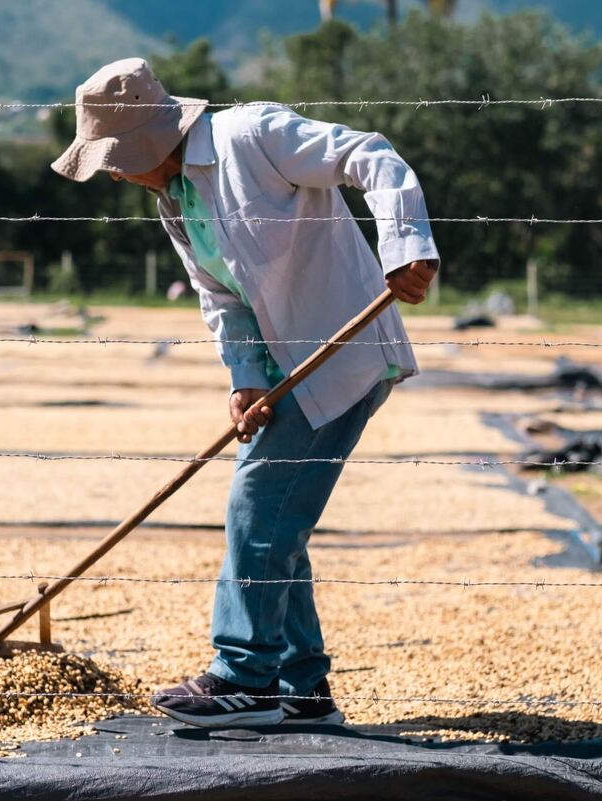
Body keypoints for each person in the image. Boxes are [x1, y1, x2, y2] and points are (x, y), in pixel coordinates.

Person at [52, 58, 439, 728]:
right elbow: (223, 300)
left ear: (149, 137)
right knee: (275, 522)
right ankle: (303, 689)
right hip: (287, 370)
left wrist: (405, 245)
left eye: (113, 159)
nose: (113, 173)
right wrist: (247, 380)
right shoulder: (172, 198)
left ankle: (245, 676)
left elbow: (368, 154)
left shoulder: (251, 137)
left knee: (256, 506)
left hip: (341, 357)